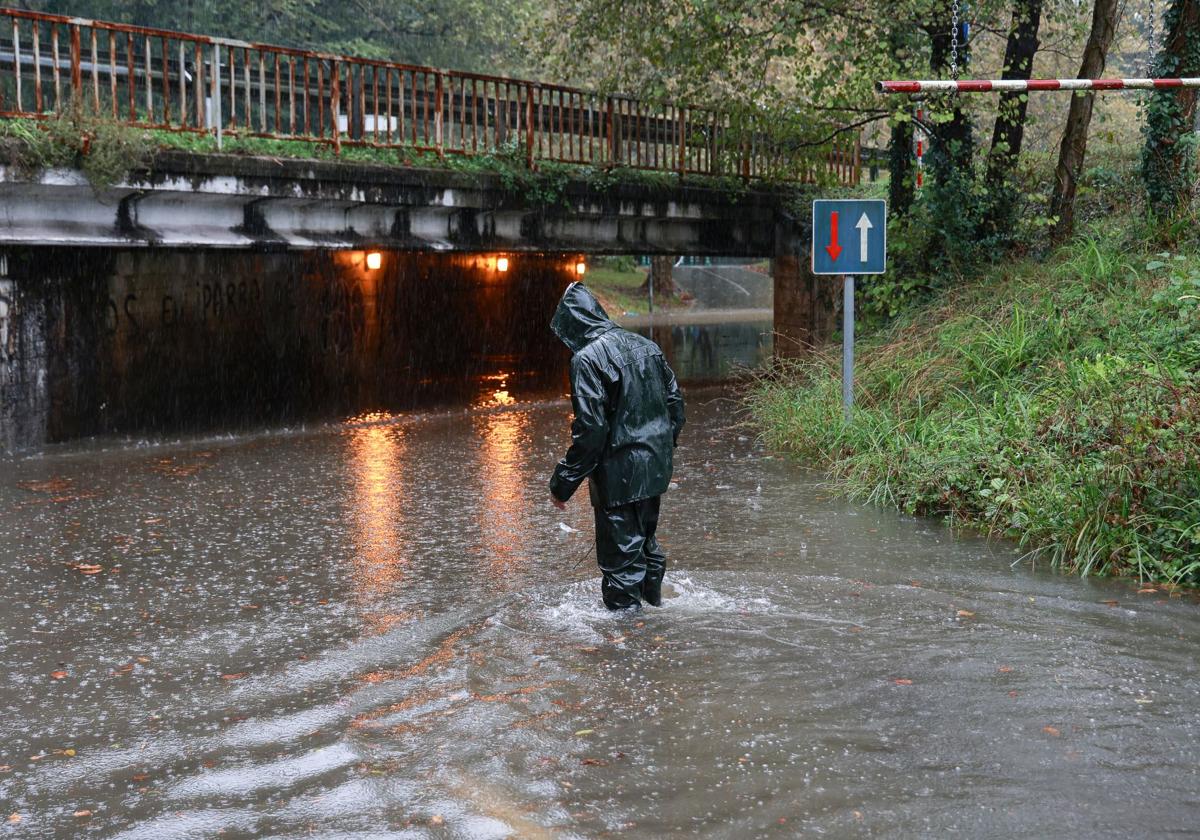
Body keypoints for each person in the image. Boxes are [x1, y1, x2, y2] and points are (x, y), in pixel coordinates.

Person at [548, 281, 685, 611]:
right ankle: (653, 613)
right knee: (645, 544)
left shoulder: (586, 360)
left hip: (620, 475)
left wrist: (562, 484)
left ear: (573, 325)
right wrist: (662, 450)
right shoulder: (646, 346)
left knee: (621, 561)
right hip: (655, 468)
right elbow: (675, 405)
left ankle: (628, 642)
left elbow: (591, 430)